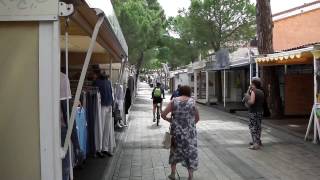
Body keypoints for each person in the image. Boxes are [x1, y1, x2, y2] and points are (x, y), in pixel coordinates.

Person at [161, 86, 200, 180]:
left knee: (174, 152)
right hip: (189, 134)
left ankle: (173, 174)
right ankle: (190, 176)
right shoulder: (192, 102)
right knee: (190, 153)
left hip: (176, 133)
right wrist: (189, 124)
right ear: (189, 92)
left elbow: (163, 115)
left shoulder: (174, 101)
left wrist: (171, 120)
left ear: (180, 91)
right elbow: (197, 118)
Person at [94, 72, 116, 156]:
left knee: (104, 127)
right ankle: (101, 148)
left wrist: (112, 105)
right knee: (103, 127)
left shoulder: (100, 82)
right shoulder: (104, 82)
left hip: (106, 105)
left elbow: (111, 93)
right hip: (104, 105)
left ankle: (103, 148)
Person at [244, 77, 265, 150]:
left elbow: (251, 102)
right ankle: (258, 141)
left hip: (253, 112)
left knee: (252, 127)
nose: (251, 85)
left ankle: (255, 143)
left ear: (254, 84)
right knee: (258, 126)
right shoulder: (261, 92)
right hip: (260, 111)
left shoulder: (254, 91)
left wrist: (247, 99)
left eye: (251, 84)